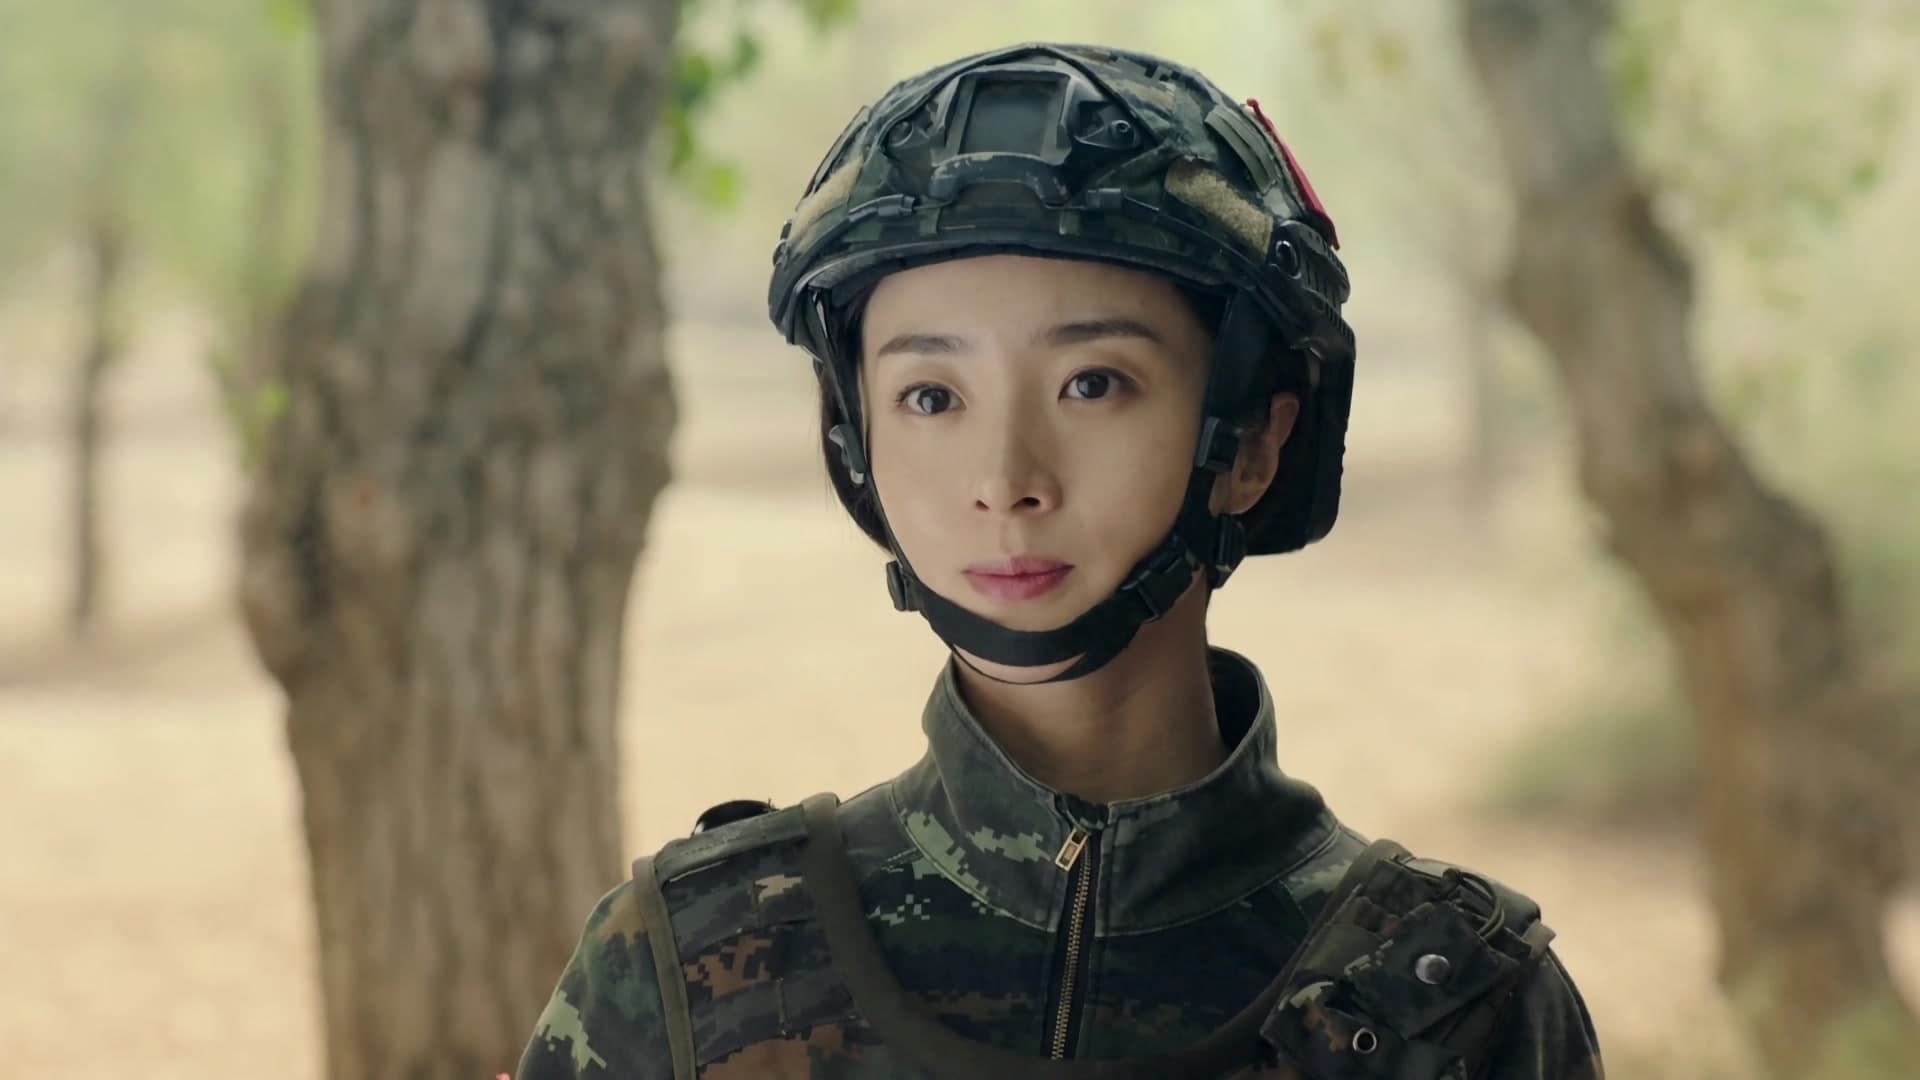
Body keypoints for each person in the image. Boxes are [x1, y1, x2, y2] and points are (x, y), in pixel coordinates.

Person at [516, 42, 1603, 1079]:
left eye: (1093, 384)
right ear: (857, 442)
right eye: (930, 396)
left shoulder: (1453, 1010)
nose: (1006, 480)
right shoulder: (680, 970)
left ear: (1252, 444)